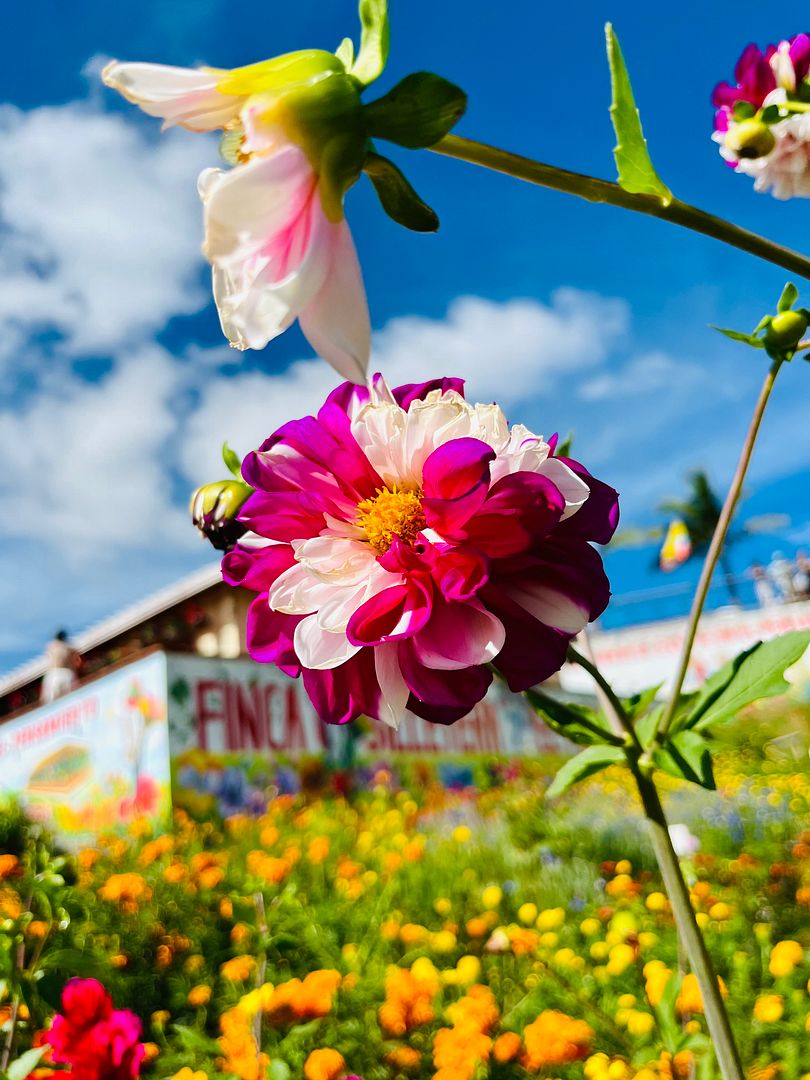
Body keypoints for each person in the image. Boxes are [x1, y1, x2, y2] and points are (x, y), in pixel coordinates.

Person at [40, 630, 80, 703]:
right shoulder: (53, 646)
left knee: (68, 698)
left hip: (63, 673)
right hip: (56, 673)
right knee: (52, 700)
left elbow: (76, 658)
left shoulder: (66, 647)